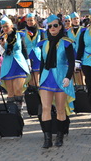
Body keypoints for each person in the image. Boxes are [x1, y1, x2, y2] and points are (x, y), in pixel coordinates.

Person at [37, 14, 75, 149]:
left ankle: (59, 136)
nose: (52, 28)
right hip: (46, 79)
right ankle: (47, 138)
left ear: (60, 27)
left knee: (60, 109)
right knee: (46, 108)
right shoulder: (44, 43)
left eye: (55, 25)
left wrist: (68, 77)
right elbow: (42, 63)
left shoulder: (66, 42)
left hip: (61, 78)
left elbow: (71, 63)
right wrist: (39, 80)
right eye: (50, 26)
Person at [0, 16, 30, 112]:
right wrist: (2, 46)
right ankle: (12, 112)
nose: (5, 28)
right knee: (10, 93)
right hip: (7, 65)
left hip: (19, 64)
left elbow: (24, 49)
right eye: (3, 27)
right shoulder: (1, 37)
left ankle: (19, 111)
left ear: (11, 25)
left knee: (18, 90)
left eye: (6, 26)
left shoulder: (19, 35)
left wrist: (28, 63)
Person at [21, 13, 46, 88]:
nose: (29, 22)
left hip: (37, 55)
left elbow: (43, 44)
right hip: (27, 55)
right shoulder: (22, 32)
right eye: (28, 20)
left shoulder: (41, 31)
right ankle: (31, 94)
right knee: (29, 78)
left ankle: (38, 94)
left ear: (35, 20)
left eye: (31, 20)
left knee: (37, 77)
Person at [66, 12, 85, 87]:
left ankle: (84, 89)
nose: (76, 20)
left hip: (82, 53)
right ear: (71, 20)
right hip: (72, 53)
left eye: (77, 18)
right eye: (74, 19)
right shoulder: (68, 31)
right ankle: (78, 91)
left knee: (82, 74)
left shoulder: (84, 30)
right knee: (75, 75)